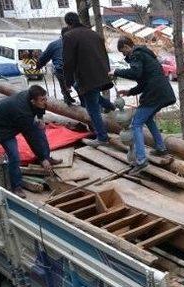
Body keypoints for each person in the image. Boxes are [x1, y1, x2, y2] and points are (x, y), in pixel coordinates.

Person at [111, 37, 177, 175]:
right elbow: (143, 81)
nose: (124, 55)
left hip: (155, 93)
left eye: (123, 52)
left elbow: (136, 73)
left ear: (127, 46)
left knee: (136, 124)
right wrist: (129, 92)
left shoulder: (137, 54)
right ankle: (161, 148)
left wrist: (116, 72)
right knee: (147, 119)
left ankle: (141, 161)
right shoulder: (144, 55)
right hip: (162, 92)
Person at [0, 85, 62, 199]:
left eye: (45, 98)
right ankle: (16, 186)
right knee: (14, 156)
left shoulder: (34, 96)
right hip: (0, 125)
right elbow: (31, 138)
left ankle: (47, 158)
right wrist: (41, 158)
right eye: (42, 100)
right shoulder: (23, 114)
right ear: (32, 101)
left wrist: (40, 118)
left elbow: (41, 106)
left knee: (40, 130)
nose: (45, 102)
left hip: (13, 117)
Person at [62, 12, 113, 145]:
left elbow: (68, 62)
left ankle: (102, 138)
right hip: (100, 75)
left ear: (68, 24)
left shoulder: (69, 36)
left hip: (87, 77)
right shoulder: (94, 33)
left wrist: (67, 82)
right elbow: (104, 54)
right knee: (85, 93)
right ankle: (111, 106)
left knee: (92, 109)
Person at [37, 27, 76, 105]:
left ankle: (67, 97)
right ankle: (80, 102)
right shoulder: (75, 43)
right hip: (73, 70)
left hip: (60, 69)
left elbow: (44, 57)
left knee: (63, 82)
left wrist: (39, 66)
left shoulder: (53, 44)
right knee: (78, 86)